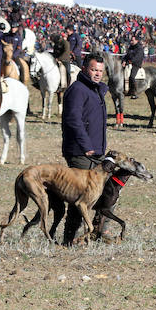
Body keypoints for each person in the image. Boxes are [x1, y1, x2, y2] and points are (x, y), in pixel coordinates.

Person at [61, 51, 108, 246]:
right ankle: (70, 238)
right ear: (84, 69)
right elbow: (73, 120)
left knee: (100, 194)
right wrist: (86, 145)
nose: (97, 73)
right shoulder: (78, 90)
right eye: (93, 69)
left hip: (95, 152)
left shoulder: (96, 90)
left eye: (100, 70)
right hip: (81, 152)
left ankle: (96, 234)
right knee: (80, 196)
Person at [122, 34, 144, 98]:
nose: (131, 42)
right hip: (128, 64)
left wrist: (130, 62)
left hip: (136, 65)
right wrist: (124, 61)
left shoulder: (139, 48)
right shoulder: (130, 47)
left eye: (132, 40)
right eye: (131, 40)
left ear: (136, 41)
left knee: (132, 77)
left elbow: (138, 57)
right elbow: (127, 55)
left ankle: (134, 93)